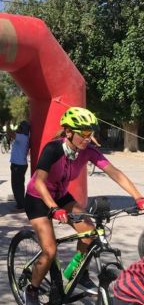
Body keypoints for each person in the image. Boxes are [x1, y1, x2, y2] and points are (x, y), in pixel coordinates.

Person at [22, 107, 144, 305]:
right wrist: (54, 208)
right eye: (84, 133)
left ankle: (76, 272)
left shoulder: (87, 151)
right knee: (50, 250)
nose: (88, 138)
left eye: (91, 133)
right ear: (69, 132)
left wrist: (138, 197)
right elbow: (39, 182)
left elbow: (115, 172)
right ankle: (32, 289)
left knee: (90, 232)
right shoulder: (53, 149)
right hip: (38, 197)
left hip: (60, 196)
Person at [10, 120, 30, 212]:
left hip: (18, 165)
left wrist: (7, 125)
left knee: (16, 186)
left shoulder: (22, 137)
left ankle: (20, 206)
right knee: (20, 185)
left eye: (20, 127)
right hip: (22, 164)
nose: (18, 128)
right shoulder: (26, 137)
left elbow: (10, 134)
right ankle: (22, 203)